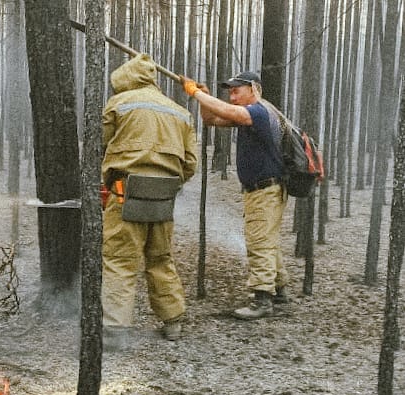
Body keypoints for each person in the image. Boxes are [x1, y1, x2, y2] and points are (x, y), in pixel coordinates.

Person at [101, 53, 198, 341]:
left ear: (125, 79)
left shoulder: (119, 104)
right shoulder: (180, 111)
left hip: (124, 193)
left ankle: (116, 330)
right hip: (165, 197)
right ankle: (173, 322)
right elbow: (190, 163)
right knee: (160, 258)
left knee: (120, 260)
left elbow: (99, 143)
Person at [180, 71, 288, 320]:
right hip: (261, 189)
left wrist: (194, 92)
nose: (232, 95)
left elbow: (229, 112)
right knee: (266, 239)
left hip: (265, 189)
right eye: (229, 91)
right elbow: (211, 120)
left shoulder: (259, 111)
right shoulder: (248, 114)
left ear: (254, 89)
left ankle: (262, 299)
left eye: (237, 90)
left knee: (259, 242)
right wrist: (203, 98)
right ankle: (279, 289)